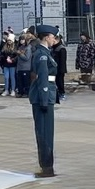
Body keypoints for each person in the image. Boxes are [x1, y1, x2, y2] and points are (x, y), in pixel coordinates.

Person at [29, 25, 59, 178]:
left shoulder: (46, 53)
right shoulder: (42, 54)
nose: (55, 39)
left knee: (48, 133)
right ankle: (46, 167)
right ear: (47, 37)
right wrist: (45, 99)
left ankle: (47, 165)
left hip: (47, 96)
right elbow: (42, 79)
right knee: (44, 133)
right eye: (53, 37)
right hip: (43, 97)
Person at [51, 34, 68, 102]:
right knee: (54, 81)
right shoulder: (53, 48)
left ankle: (62, 93)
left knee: (60, 82)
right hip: (53, 69)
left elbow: (63, 61)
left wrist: (62, 70)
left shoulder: (61, 48)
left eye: (54, 40)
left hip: (60, 69)